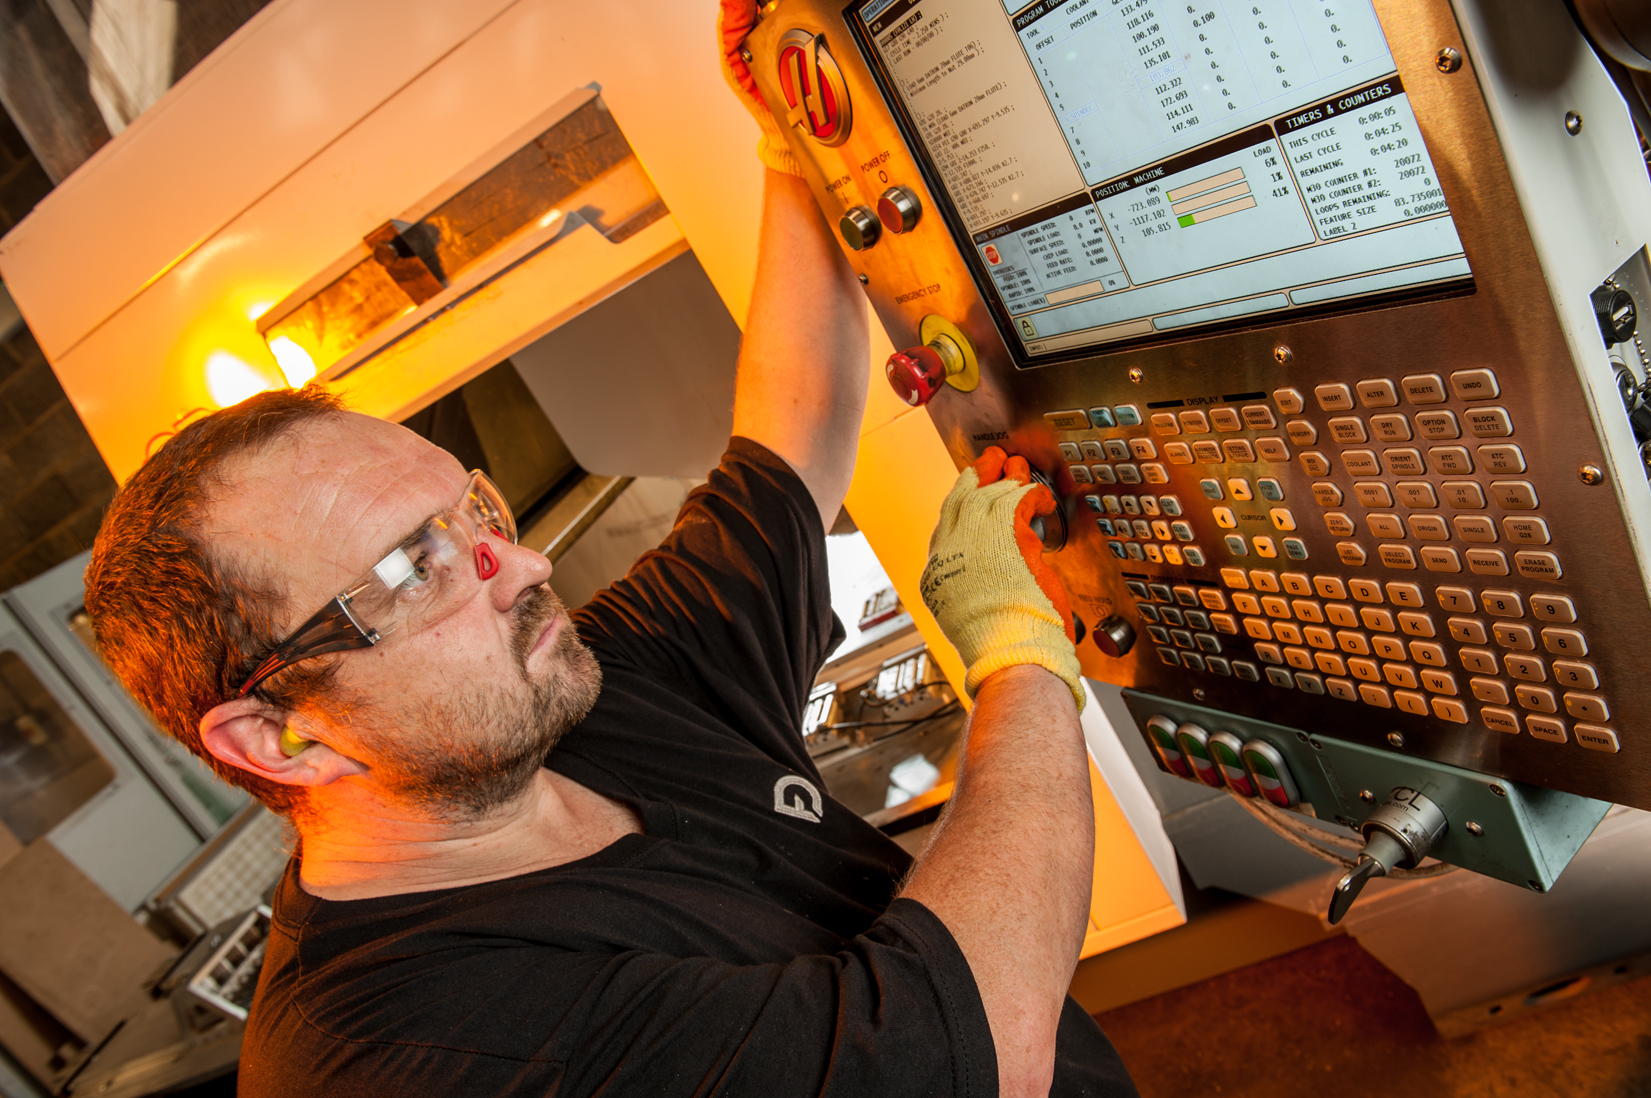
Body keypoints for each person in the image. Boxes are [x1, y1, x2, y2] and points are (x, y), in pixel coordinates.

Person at [82, 3, 1140, 1094]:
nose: (527, 569)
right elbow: (965, 1053)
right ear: (281, 738)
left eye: (475, 516)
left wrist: (794, 147)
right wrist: (1017, 651)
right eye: (411, 570)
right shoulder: (408, 1052)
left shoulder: (565, 692)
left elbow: (781, 451)